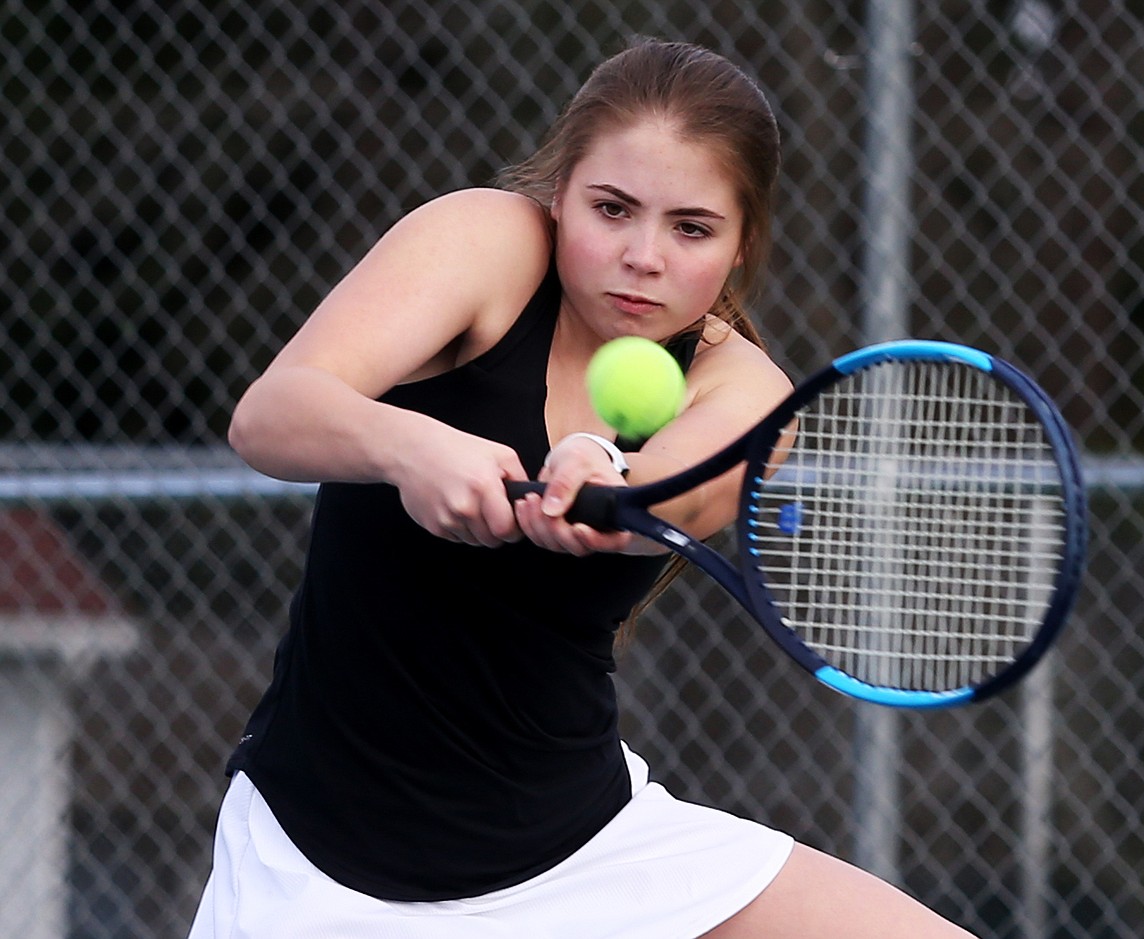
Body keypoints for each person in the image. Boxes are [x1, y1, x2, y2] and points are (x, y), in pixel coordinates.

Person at [188, 37, 978, 939]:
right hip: (321, 863)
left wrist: (607, 475)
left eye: (691, 228)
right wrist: (410, 446)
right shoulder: (483, 243)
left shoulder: (748, 391)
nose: (643, 256)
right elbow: (272, 415)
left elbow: (671, 495)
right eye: (612, 209)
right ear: (560, 195)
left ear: (739, 246)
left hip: (585, 851)